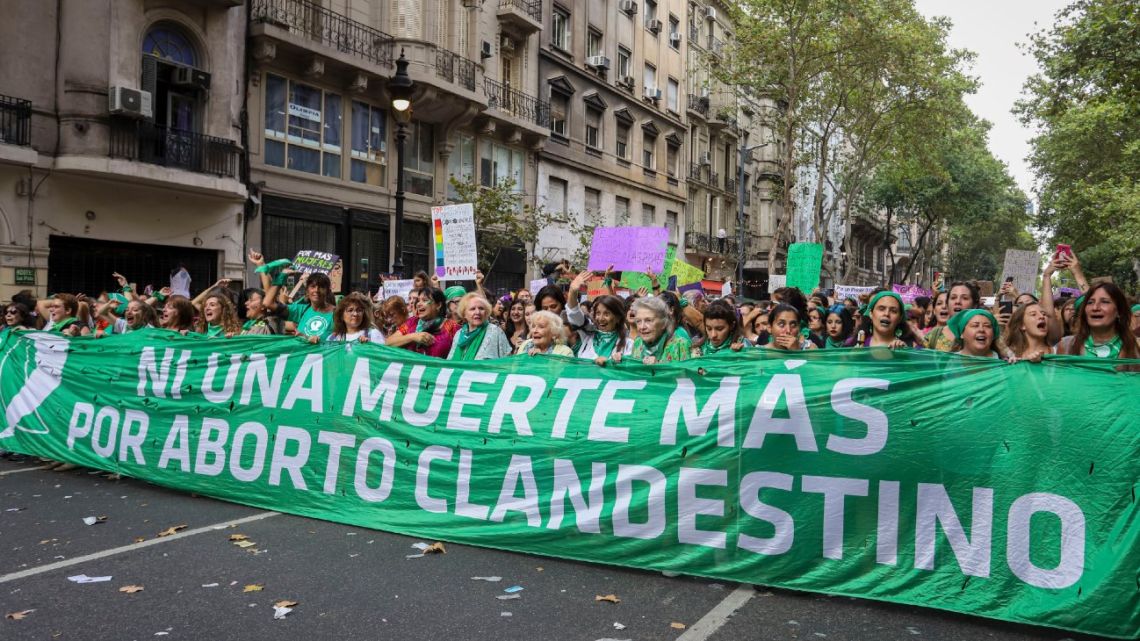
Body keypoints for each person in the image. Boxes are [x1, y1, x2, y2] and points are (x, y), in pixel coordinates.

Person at [1056, 282, 1140, 359]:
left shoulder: (1136, 346)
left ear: (1119, 311)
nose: (1095, 308)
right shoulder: (1066, 345)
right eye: (1090, 302)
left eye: (1105, 302)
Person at [266, 271, 336, 341]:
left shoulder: (337, 313)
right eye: (313, 286)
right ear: (307, 291)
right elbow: (268, 303)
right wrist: (281, 277)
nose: (316, 290)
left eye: (321, 287)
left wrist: (308, 338)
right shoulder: (301, 310)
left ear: (328, 291)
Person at [390, 287, 458, 357]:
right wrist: (413, 337)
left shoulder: (452, 327)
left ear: (438, 305)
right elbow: (389, 343)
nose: (418, 304)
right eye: (418, 300)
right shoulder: (412, 322)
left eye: (425, 300)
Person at [568, 294, 632, 364]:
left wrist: (610, 363)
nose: (601, 319)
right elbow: (575, 314)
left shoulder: (628, 344)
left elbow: (629, 370)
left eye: (606, 314)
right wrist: (572, 291)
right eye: (598, 313)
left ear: (618, 318)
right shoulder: (587, 336)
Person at [448, 293, 513, 360]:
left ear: (486, 312)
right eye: (472, 309)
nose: (477, 312)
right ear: (464, 314)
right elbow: (450, 362)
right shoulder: (459, 334)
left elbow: (508, 361)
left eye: (481, 308)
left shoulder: (495, 331)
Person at [630, 296, 692, 364]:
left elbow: (688, 373)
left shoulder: (681, 344)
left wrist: (659, 366)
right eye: (638, 321)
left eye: (648, 320)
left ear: (664, 323)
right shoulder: (638, 343)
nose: (642, 327)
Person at [924, 282, 979, 351]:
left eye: (965, 298)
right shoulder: (933, 336)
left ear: (974, 305)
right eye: (953, 298)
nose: (958, 301)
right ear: (947, 304)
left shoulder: (984, 333)